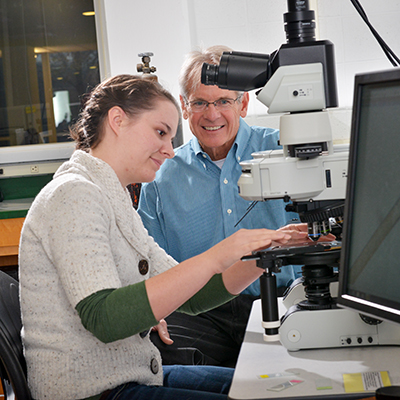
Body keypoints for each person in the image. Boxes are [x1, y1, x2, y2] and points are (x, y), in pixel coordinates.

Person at [18, 75, 307, 400]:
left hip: (130, 374)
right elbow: (104, 318)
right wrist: (219, 253)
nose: (170, 151)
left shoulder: (114, 199)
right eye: (160, 133)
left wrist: (271, 251)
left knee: (268, 390)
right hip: (92, 392)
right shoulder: (75, 194)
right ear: (118, 120)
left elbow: (193, 297)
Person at [137, 45, 306, 367]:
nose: (211, 114)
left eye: (223, 102)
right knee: (159, 354)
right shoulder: (160, 175)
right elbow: (146, 261)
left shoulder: (284, 150)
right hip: (201, 312)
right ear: (184, 107)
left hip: (280, 299)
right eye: (200, 102)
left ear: (243, 104)